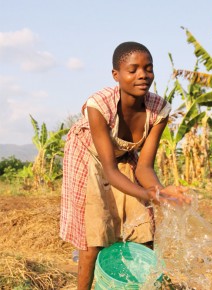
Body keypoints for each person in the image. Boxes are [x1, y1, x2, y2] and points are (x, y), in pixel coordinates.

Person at [60, 41, 190, 290]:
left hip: (123, 158)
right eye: (133, 70)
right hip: (89, 157)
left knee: (144, 230)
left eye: (148, 68)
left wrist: (159, 193)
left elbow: (144, 168)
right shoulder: (99, 105)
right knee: (94, 238)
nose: (143, 75)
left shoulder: (158, 110)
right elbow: (108, 169)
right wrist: (149, 193)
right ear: (116, 75)